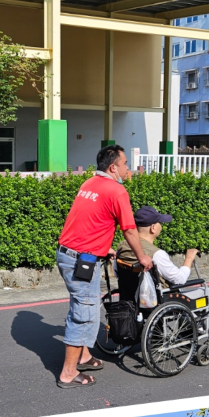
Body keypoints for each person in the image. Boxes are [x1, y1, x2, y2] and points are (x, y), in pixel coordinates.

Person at [54, 144, 153, 389]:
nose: (127, 168)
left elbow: (88, 219)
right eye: (125, 164)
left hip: (70, 253)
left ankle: (84, 357)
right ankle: (68, 372)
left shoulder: (89, 184)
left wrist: (100, 247)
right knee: (82, 314)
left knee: (83, 307)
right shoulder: (116, 191)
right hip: (82, 260)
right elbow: (129, 230)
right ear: (113, 167)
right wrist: (142, 257)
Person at [116, 205, 209, 353]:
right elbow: (179, 279)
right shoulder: (156, 254)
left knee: (182, 293)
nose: (161, 226)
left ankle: (193, 325)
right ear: (153, 228)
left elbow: (117, 273)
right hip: (159, 300)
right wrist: (188, 259)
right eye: (160, 223)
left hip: (133, 298)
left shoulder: (122, 246)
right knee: (206, 292)